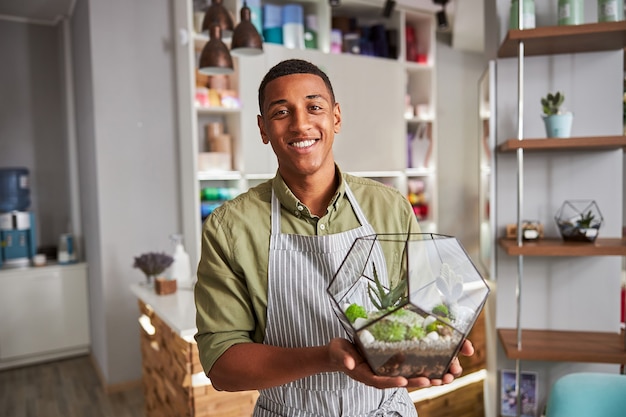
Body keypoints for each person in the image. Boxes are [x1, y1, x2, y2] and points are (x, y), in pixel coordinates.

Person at [194, 58, 474, 416]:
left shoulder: (389, 206)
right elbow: (221, 364)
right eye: (282, 112)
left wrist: (435, 345)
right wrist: (327, 357)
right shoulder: (230, 227)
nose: (301, 124)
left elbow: (423, 309)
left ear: (336, 117)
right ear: (263, 129)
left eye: (314, 107)